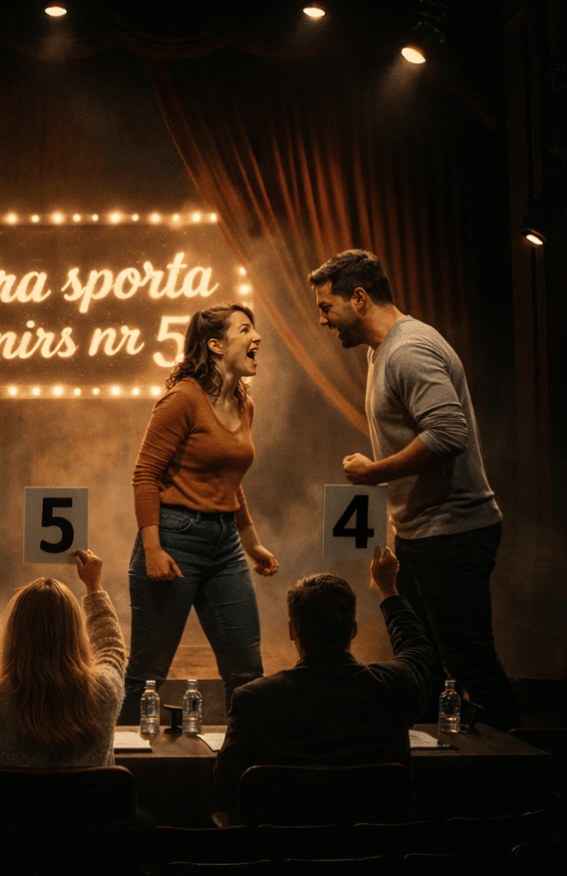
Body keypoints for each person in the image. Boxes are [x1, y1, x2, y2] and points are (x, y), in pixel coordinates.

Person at [308, 249, 518, 729]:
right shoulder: (381, 351)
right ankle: (431, 761)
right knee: (424, 663)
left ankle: (514, 767)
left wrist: (375, 472)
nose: (322, 320)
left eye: (326, 307)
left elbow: (448, 434)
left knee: (469, 663)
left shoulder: (408, 350)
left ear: (359, 298)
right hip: (426, 534)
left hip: (454, 532)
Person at [123, 304, 279, 724]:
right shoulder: (183, 399)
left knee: (247, 672)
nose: (257, 337)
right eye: (245, 329)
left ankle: (244, 753)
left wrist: (252, 543)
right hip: (175, 537)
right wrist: (153, 549)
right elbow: (145, 474)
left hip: (225, 545)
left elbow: (228, 481)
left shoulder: (244, 404)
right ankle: (123, 755)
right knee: (146, 675)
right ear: (215, 345)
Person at [213, 546, 433, 822]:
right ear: (353, 629)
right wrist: (388, 588)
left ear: (292, 631)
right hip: (377, 847)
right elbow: (417, 647)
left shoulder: (253, 699)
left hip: (283, 848)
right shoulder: (395, 685)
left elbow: (225, 786)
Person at [0, 549, 124, 768]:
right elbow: (111, 647)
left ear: (15, 636)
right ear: (75, 634)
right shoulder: (104, 692)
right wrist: (93, 586)